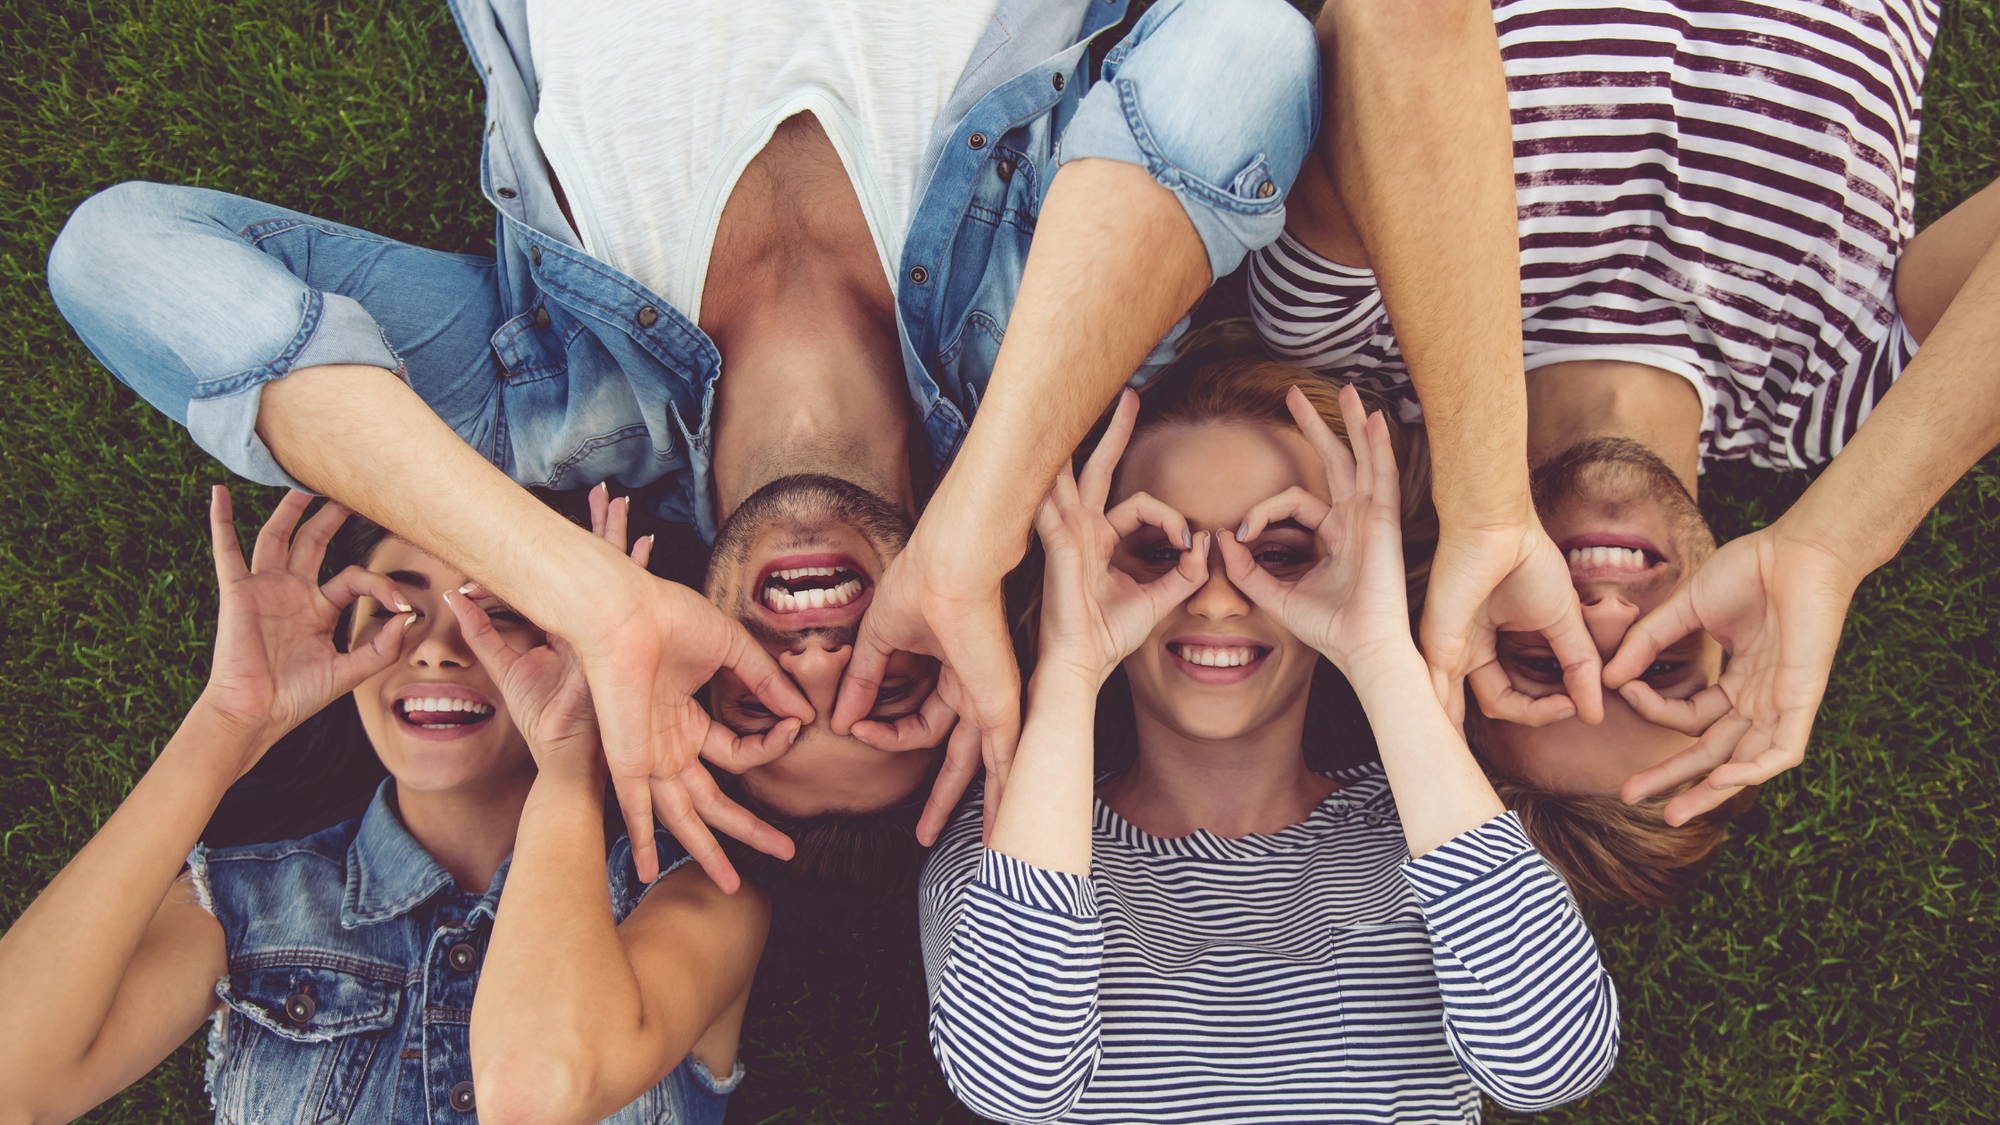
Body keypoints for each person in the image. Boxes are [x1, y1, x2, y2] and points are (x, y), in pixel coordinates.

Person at [45, 0, 1322, 888]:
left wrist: (592, 604)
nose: (817, 658)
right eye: (888, 687)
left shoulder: (543, 403)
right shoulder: (1055, 347)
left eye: (754, 697)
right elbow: (1244, 55)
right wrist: (978, 525)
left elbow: (121, 257)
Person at [1251, 0, 2000, 902]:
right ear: (1732, 646)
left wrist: (1486, 505)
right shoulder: (1836, 395)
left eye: (1544, 660)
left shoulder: (1357, 334)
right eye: (1665, 660)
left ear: (1460, 632)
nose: (1607, 614)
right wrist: (1834, 544)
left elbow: (1396, 23)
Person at [920, 359, 1618, 1121]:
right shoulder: (1013, 839)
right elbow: (1013, 1080)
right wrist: (1070, 660)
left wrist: (1380, 649)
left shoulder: (1427, 825)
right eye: (1160, 550)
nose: (1218, 598)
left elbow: (1550, 1061)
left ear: (1352, 566)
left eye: (1279, 552)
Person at [0, 490, 766, 1124]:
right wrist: (228, 722)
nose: (435, 646)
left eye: (498, 609)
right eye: (399, 607)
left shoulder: (693, 895)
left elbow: (544, 1088)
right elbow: (15, 1085)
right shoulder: (249, 908)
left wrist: (574, 758)